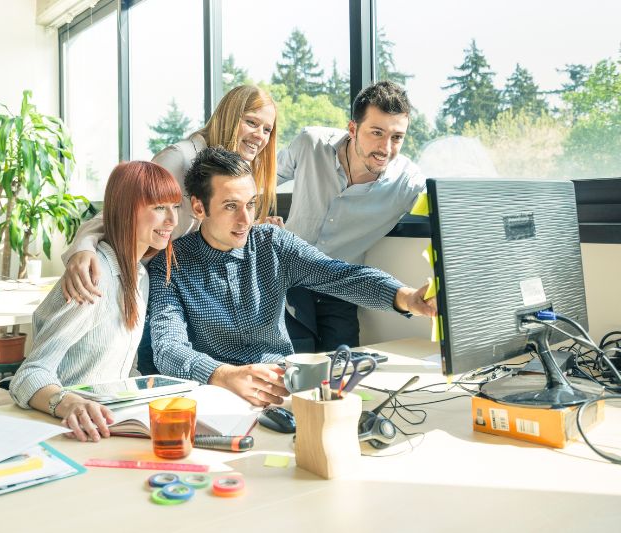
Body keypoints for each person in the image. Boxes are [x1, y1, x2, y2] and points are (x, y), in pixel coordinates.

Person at [148, 147, 436, 405]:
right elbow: (167, 347)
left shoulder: (273, 243)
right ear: (199, 207)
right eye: (230, 206)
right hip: (217, 397)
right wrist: (223, 374)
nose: (246, 220)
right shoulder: (170, 263)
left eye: (250, 204)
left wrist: (406, 297)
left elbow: (341, 275)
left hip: (284, 390)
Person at [59, 85, 281, 375]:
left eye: (267, 129)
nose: (259, 136)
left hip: (179, 287)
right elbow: (118, 212)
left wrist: (251, 224)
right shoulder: (180, 159)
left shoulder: (236, 168)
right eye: (251, 122)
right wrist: (83, 249)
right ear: (228, 117)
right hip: (137, 284)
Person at [9, 161, 181, 442]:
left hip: (108, 426)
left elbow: (121, 368)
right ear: (126, 211)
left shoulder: (139, 275)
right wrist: (70, 403)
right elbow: (29, 374)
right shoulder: (94, 277)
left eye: (175, 206)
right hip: (67, 430)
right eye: (159, 207)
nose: (172, 220)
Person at [278, 80, 426, 353]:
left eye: (397, 137)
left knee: (345, 371)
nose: (386, 147)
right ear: (353, 129)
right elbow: (260, 179)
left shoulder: (408, 182)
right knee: (293, 365)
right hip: (289, 281)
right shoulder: (310, 143)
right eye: (376, 133)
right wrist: (258, 214)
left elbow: (445, 213)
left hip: (342, 288)